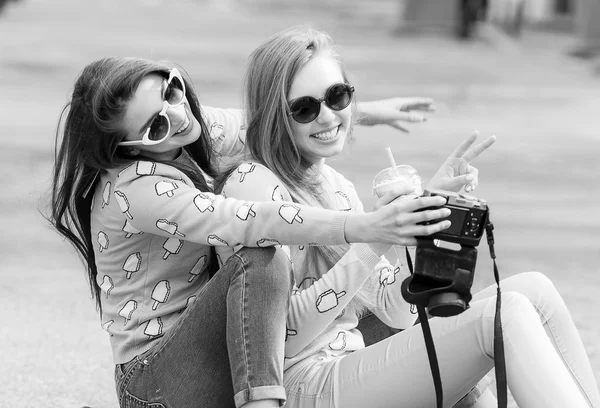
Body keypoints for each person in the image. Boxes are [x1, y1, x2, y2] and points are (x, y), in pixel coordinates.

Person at [216, 25, 600, 408]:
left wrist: (427, 212)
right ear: (273, 117)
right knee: (506, 314)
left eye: (337, 96)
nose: (328, 116)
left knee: (534, 289)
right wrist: (376, 237)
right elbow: (278, 341)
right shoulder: (253, 184)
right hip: (302, 383)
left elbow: (396, 312)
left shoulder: (334, 184)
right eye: (305, 108)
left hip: (350, 365)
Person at [48, 56, 455, 408]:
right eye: (155, 126)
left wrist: (359, 111)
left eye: (171, 92)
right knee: (260, 258)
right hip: (157, 382)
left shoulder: (190, 125)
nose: (176, 115)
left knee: (416, 331)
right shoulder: (137, 189)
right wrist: (367, 228)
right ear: (130, 147)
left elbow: (277, 122)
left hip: (224, 346)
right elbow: (249, 219)